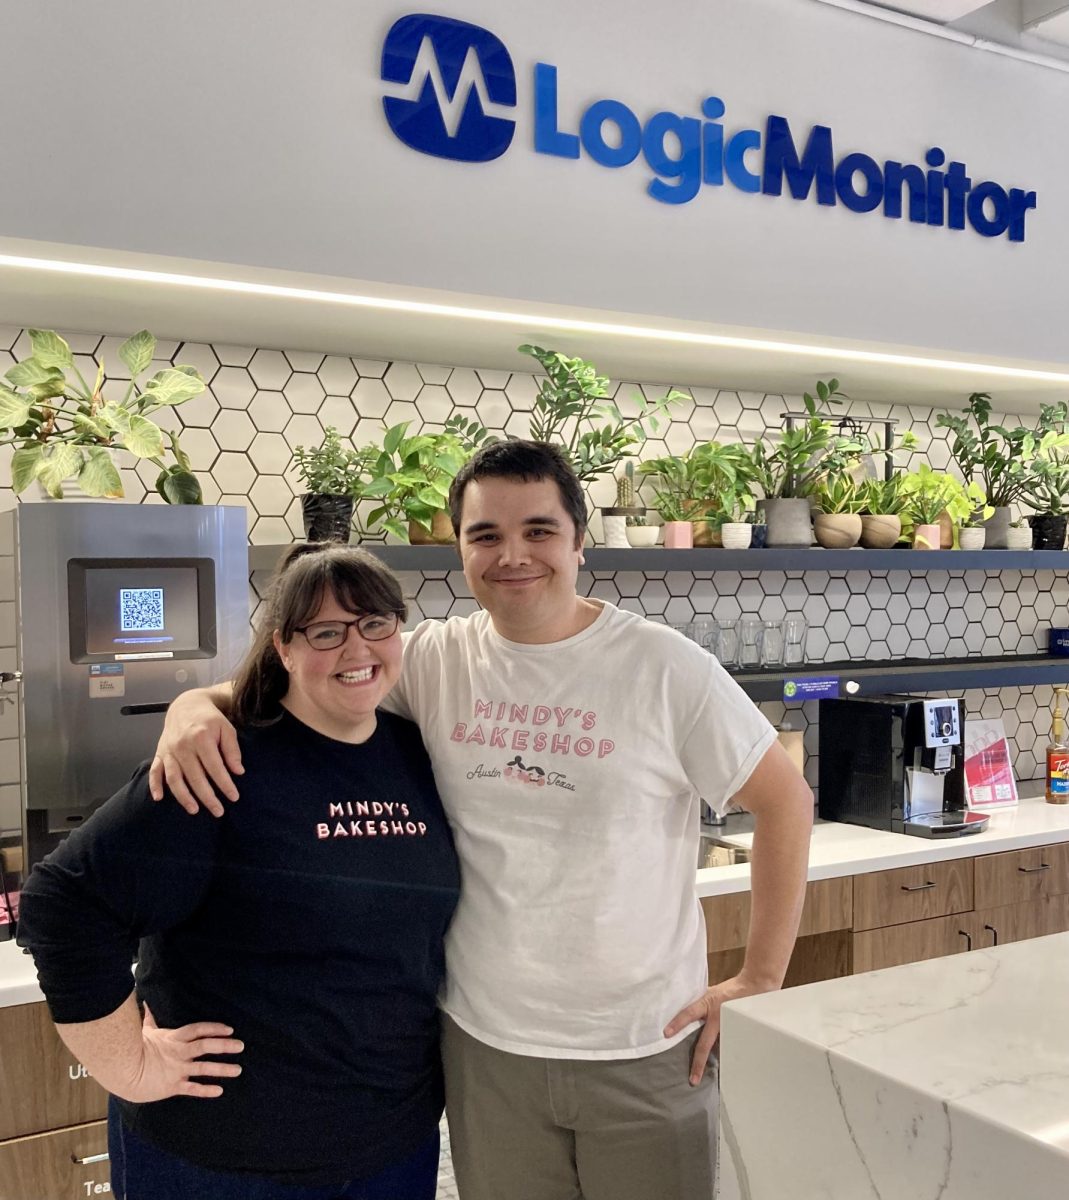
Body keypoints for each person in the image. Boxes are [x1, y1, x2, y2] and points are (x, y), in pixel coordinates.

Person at [152, 440, 814, 1200]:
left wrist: (759, 979)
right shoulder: (435, 659)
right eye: (486, 535)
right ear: (461, 550)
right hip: (484, 1048)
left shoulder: (665, 667)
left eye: (538, 531)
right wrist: (192, 705)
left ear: (579, 542)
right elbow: (313, 680)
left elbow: (784, 801)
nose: (512, 555)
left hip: (644, 1046)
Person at [17, 545, 460, 1200]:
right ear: (284, 647)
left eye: (375, 623)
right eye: (326, 632)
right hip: (221, 1155)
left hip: (392, 1145)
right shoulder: (221, 760)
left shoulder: (416, 752)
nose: (357, 647)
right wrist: (130, 1066)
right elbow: (62, 903)